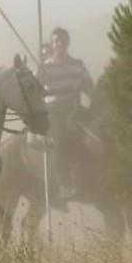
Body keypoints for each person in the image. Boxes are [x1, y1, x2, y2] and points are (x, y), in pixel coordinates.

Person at [38, 26, 95, 208]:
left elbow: (88, 85)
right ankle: (62, 183)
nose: (59, 44)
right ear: (52, 44)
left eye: (62, 41)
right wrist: (38, 75)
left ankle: (87, 178)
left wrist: (96, 101)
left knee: (92, 136)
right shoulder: (45, 66)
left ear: (67, 43)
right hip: (54, 109)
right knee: (62, 137)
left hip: (73, 106)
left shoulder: (77, 64)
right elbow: (34, 89)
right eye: (56, 41)